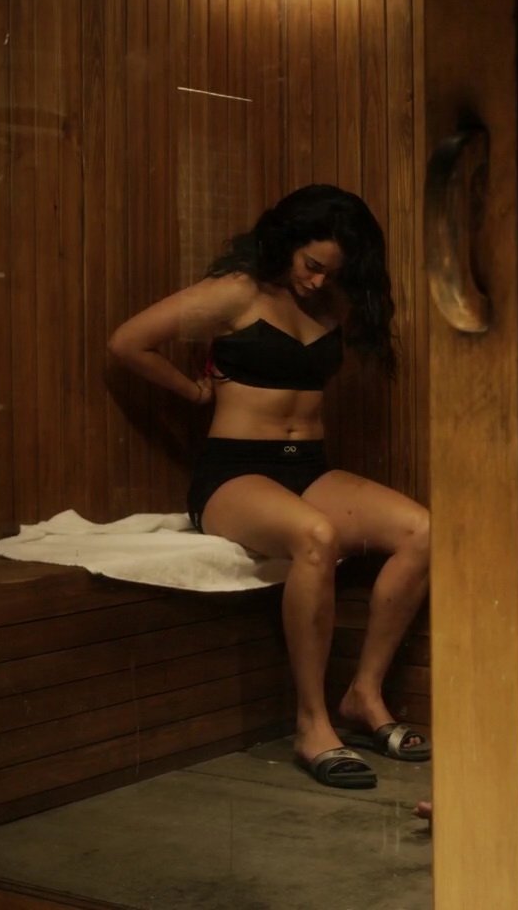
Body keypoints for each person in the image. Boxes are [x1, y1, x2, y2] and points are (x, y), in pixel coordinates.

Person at [107, 184, 432, 791]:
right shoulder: (237, 292)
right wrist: (192, 391)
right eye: (311, 265)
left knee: (423, 530)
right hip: (234, 472)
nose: (317, 281)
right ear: (287, 241)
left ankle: (364, 693)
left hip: (308, 466)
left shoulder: (333, 302)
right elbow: (128, 342)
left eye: (331, 272)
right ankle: (312, 723)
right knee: (315, 536)